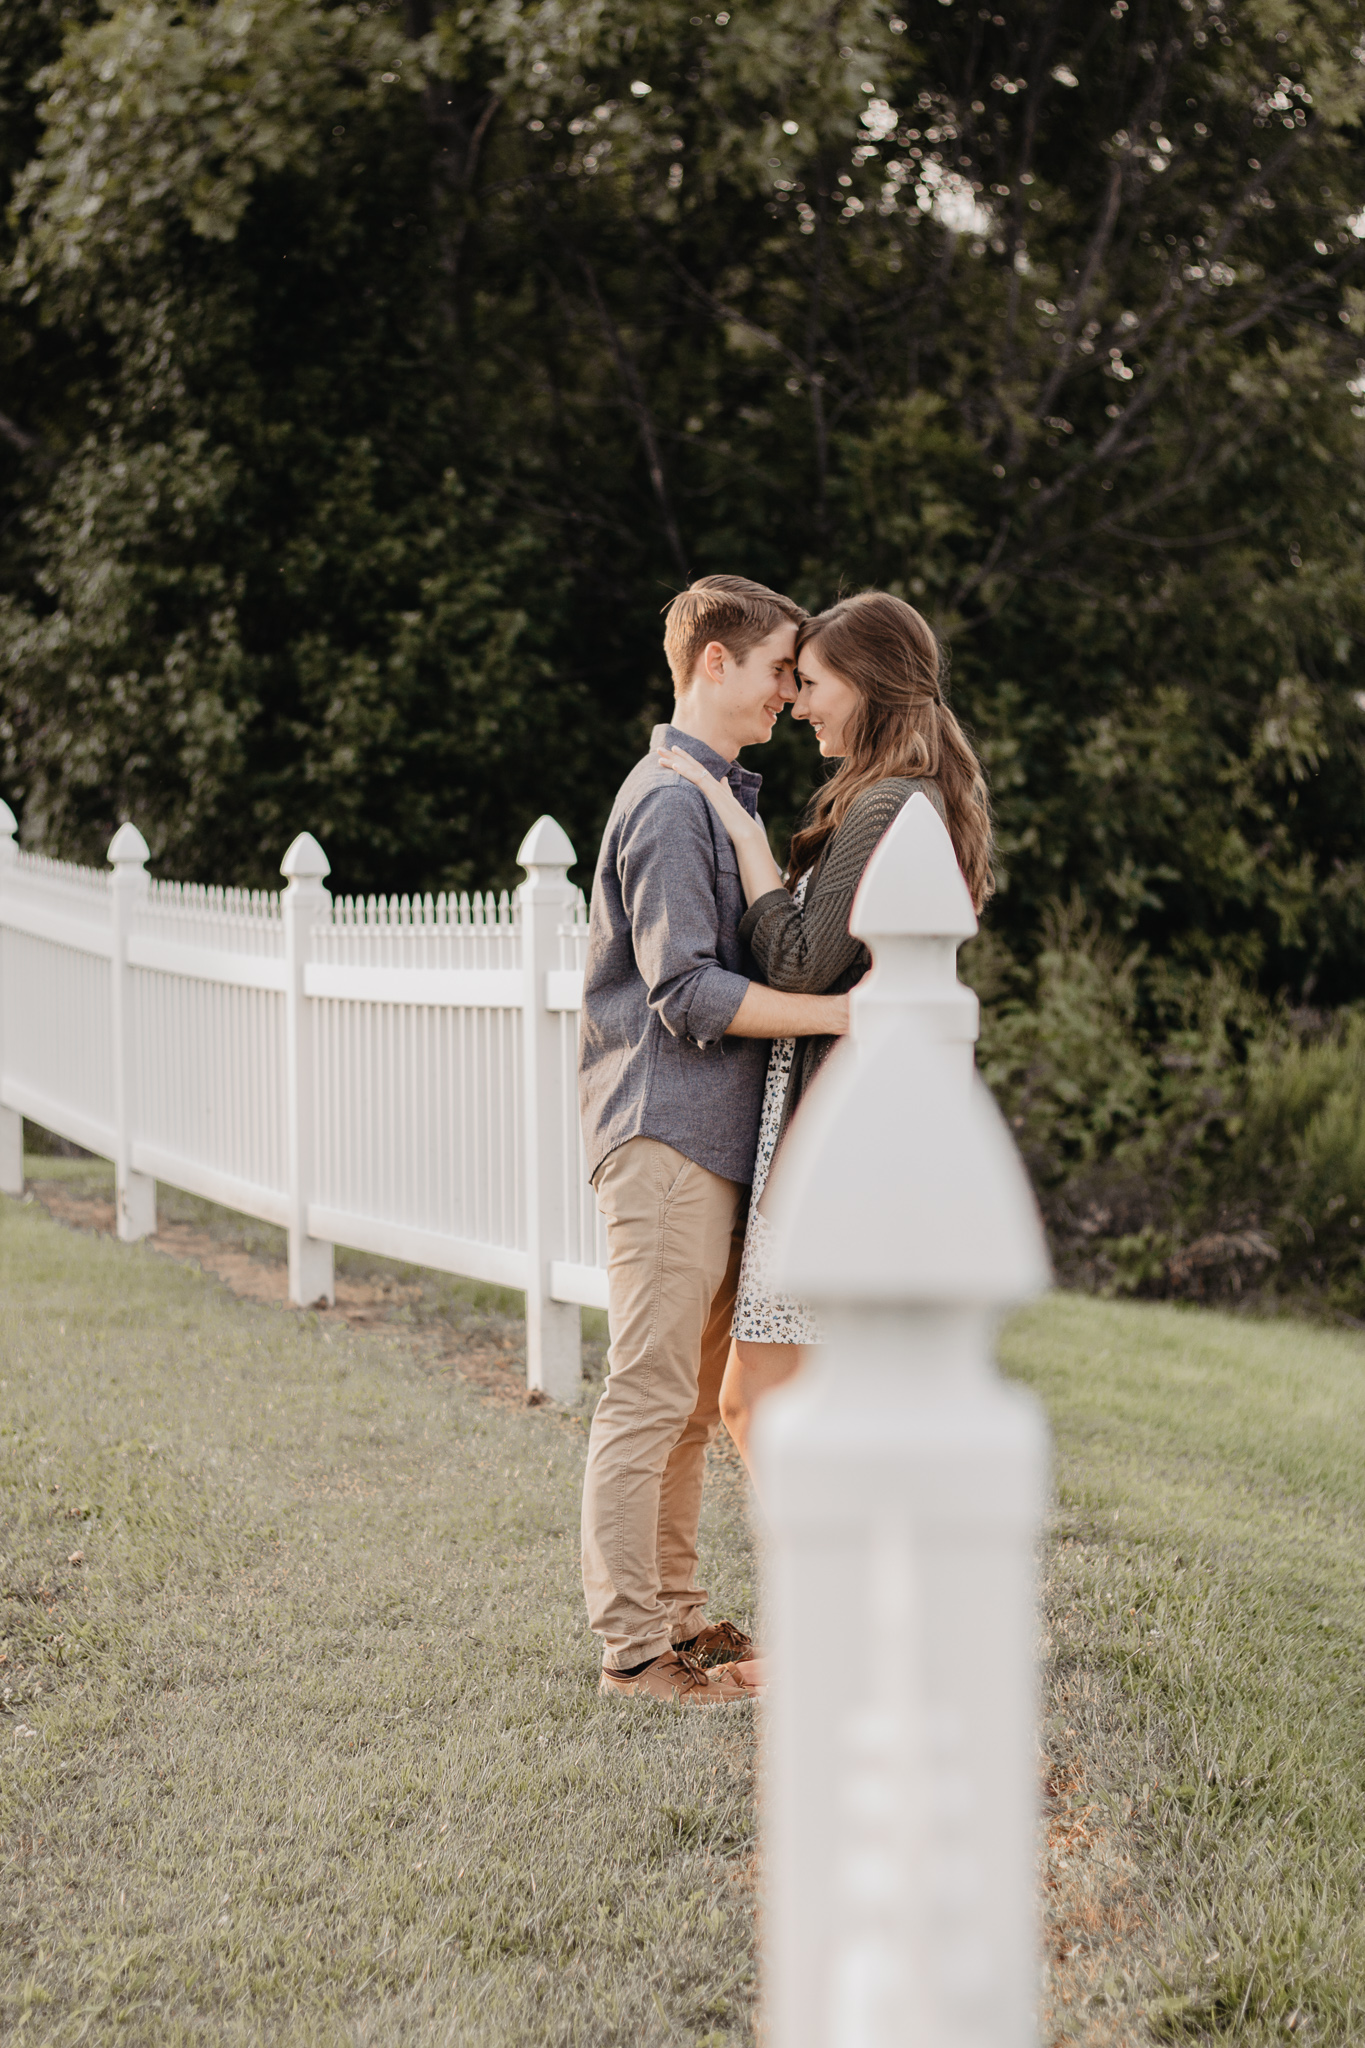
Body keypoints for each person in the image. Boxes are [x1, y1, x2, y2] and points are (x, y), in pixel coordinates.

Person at [578, 574, 851, 1707]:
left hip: (712, 1146)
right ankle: (633, 1651)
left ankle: (681, 1620)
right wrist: (844, 1015)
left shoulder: (710, 799)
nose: (793, 689)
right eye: (783, 666)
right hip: (665, 1135)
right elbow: (686, 991)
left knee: (691, 1402)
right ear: (715, 661)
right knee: (648, 1393)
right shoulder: (667, 803)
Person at [658, 589, 995, 1484]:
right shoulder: (906, 797)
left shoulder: (888, 804)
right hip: (831, 1119)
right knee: (792, 1394)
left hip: (830, 1133)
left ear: (867, 683)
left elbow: (800, 963)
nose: (798, 704)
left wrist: (742, 836)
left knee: (757, 1395)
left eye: (811, 684)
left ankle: (826, 1615)